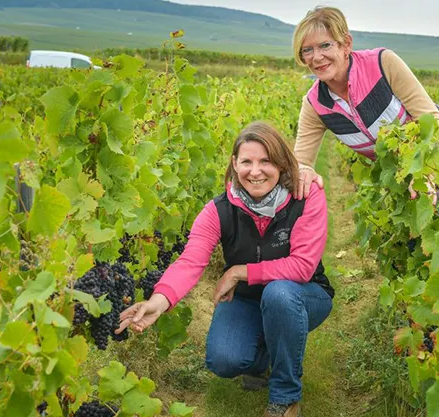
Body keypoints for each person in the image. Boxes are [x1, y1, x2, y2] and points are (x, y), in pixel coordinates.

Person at [116, 121, 334, 417]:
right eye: (246, 161)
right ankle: (262, 360)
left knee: (280, 295)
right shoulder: (219, 209)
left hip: (303, 295)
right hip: (246, 299)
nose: (255, 171)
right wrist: (158, 301)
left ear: (282, 163)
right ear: (234, 163)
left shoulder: (305, 197)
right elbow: (191, 260)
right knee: (224, 359)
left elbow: (303, 267)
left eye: (266, 161)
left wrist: (237, 272)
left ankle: (285, 396)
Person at [291, 6, 439, 199]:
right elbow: (302, 162)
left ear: (346, 44)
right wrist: (304, 172)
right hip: (405, 181)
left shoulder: (382, 64)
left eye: (325, 45)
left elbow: (432, 120)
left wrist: (425, 172)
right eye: (307, 50)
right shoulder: (315, 105)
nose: (317, 57)